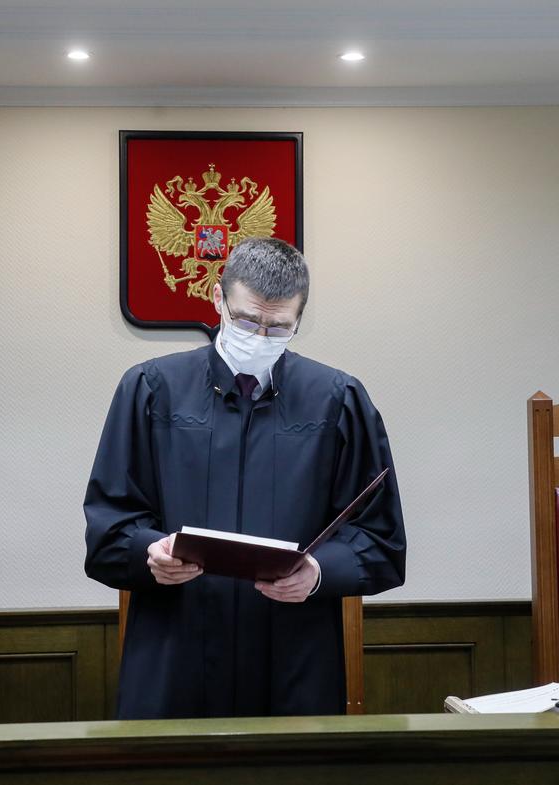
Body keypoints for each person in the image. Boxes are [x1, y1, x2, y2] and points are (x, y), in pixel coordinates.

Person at [84, 237, 406, 719]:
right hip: (176, 654)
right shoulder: (151, 389)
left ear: (299, 318)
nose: (259, 337)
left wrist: (319, 572)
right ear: (218, 298)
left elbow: (381, 540)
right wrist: (149, 551)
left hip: (293, 661)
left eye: (279, 327)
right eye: (246, 321)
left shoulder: (337, 400)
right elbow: (109, 528)